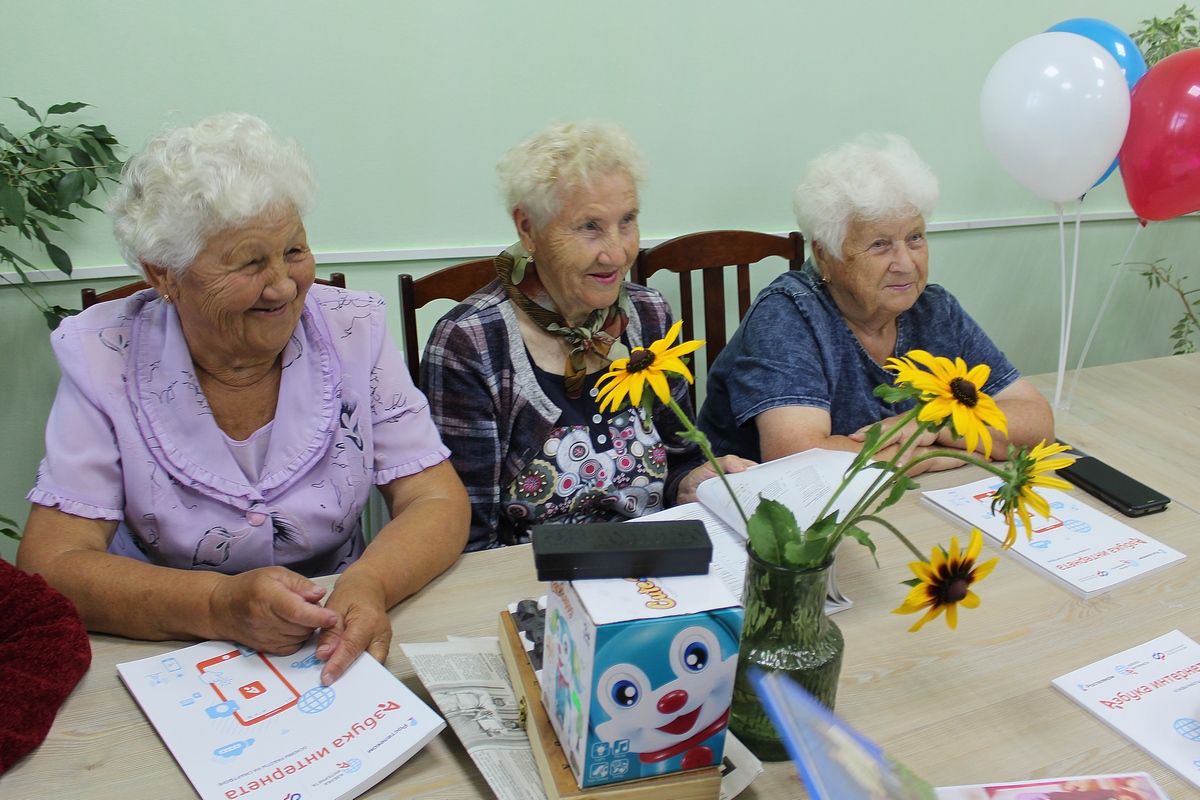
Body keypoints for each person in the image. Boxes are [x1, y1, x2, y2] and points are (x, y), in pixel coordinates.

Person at [17, 113, 469, 686]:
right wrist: (214, 604)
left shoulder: (354, 329)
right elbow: (53, 565)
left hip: (334, 635)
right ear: (165, 275)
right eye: (250, 262)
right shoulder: (101, 357)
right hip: (168, 651)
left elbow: (435, 498)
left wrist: (368, 583)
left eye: (295, 251)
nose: (283, 285)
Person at [422, 121, 751, 550]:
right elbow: (466, 536)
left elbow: (678, 461)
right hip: (533, 588)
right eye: (589, 227)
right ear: (527, 228)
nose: (616, 253)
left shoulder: (648, 315)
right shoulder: (471, 344)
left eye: (627, 220)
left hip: (652, 567)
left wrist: (694, 481)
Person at [698, 133, 1053, 470]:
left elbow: (1037, 425)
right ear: (825, 256)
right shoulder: (789, 314)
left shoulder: (935, 309)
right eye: (880, 244)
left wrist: (935, 427)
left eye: (915, 238)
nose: (906, 263)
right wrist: (937, 456)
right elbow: (797, 458)